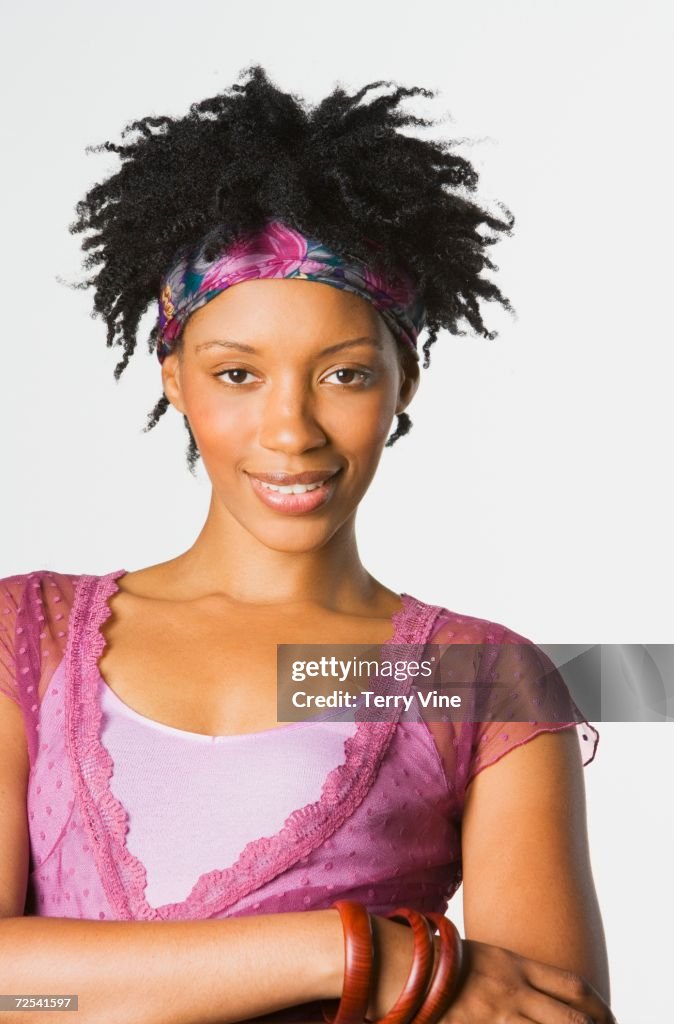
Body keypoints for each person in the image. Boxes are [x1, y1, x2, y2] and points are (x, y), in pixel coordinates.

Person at [0, 65, 615, 1023]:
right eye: (237, 372)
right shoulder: (27, 631)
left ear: (405, 378)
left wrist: (70, 989)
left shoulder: (476, 678)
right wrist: (363, 949)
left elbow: (546, 1014)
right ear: (173, 374)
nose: (290, 431)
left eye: (343, 375)